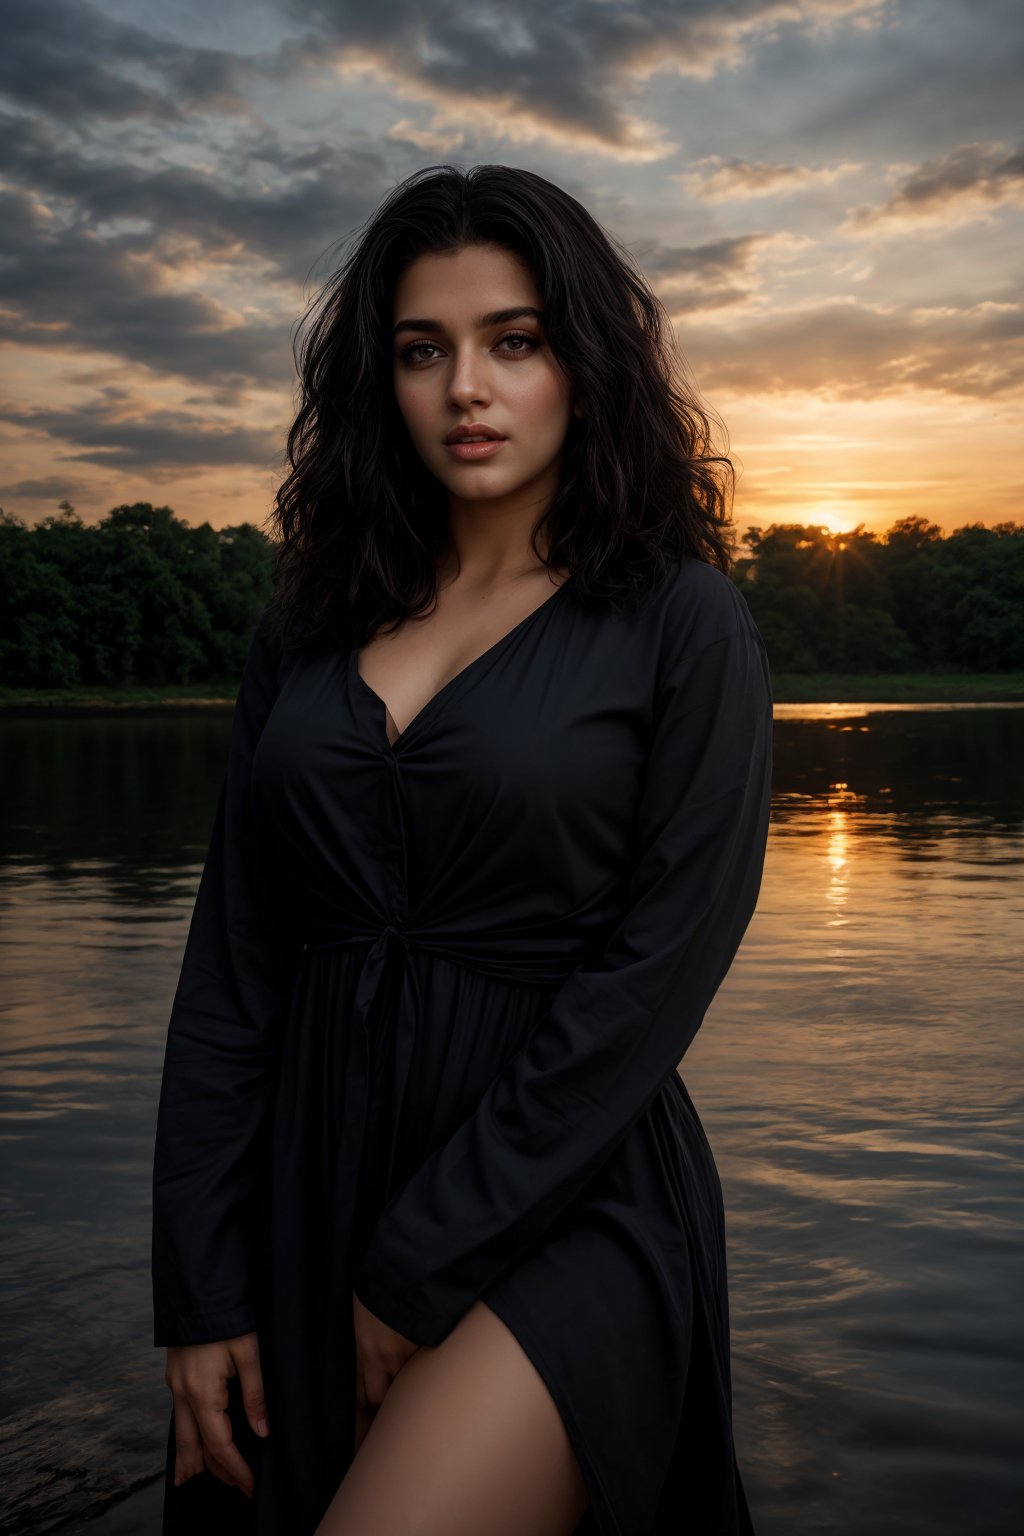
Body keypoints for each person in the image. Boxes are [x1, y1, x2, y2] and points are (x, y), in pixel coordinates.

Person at [151, 162, 773, 1536]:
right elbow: (233, 977)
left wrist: (422, 1261)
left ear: (585, 360)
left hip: (563, 1198)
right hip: (310, 1187)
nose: (466, 390)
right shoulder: (303, 634)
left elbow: (653, 976)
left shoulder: (681, 623)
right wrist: (198, 1289)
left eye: (516, 340)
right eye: (423, 352)